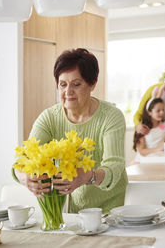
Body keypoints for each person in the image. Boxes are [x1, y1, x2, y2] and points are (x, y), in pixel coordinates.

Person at [13, 48, 128, 214]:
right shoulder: (49, 118)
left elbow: (115, 166)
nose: (68, 92)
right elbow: (22, 160)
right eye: (63, 84)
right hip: (71, 215)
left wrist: (87, 176)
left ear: (92, 84)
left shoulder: (111, 117)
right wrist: (24, 177)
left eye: (76, 84)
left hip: (111, 213)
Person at [132, 97, 165, 163]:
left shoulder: (164, 126)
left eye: (163, 110)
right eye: (158, 111)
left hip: (159, 158)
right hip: (145, 159)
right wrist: (158, 149)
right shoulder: (143, 128)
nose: (162, 113)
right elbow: (142, 151)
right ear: (149, 112)